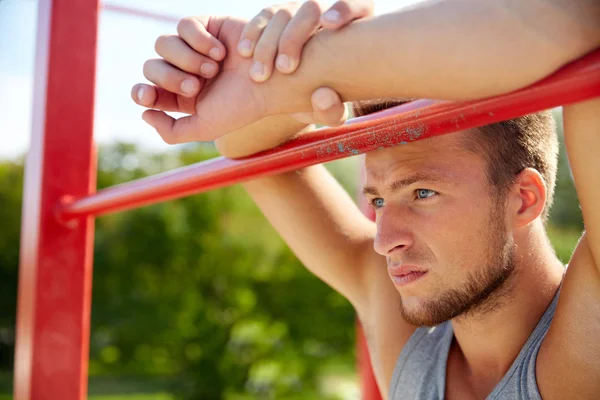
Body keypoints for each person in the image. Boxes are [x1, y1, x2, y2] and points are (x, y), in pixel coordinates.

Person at [132, 0, 600, 398]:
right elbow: (246, 146)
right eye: (377, 201)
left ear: (523, 199)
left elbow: (579, 17)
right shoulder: (411, 339)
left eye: (422, 192)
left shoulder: (587, 339)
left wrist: (323, 61)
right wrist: (286, 89)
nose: (384, 240)